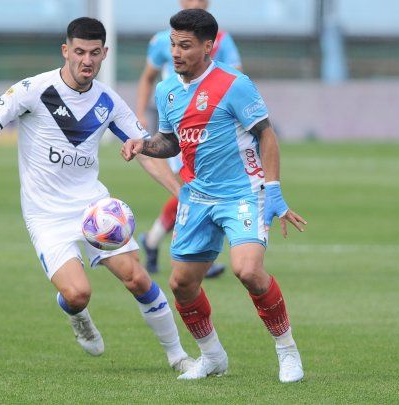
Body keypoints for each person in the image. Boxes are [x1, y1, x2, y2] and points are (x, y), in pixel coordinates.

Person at [0, 17, 195, 374]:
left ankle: (177, 356)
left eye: (95, 53)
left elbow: (143, 150)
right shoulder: (34, 90)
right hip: (46, 214)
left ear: (104, 54)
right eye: (79, 52)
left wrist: (180, 193)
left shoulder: (108, 101)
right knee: (78, 294)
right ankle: (78, 316)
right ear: (66, 51)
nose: (87, 61)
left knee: (137, 278)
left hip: (94, 207)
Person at [122, 9, 307, 382]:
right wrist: (143, 145)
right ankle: (212, 357)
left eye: (185, 46)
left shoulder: (234, 84)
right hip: (198, 196)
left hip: (242, 192)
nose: (175, 53)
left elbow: (266, 134)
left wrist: (273, 189)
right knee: (181, 284)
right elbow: (171, 142)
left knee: (248, 270)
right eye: (173, 44)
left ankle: (287, 352)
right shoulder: (167, 89)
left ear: (208, 47)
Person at [136, 0, 242, 278]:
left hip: (212, 123)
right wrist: (141, 113)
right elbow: (147, 77)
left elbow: (237, 77)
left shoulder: (222, 40)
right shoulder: (163, 41)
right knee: (192, 185)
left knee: (196, 186)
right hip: (180, 122)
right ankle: (193, 253)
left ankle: (155, 241)